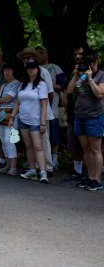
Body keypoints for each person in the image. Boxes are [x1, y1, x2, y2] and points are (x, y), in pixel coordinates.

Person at [67, 48, 104, 191]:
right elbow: (70, 90)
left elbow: (99, 94)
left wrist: (90, 79)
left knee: (95, 149)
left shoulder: (101, 75)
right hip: (79, 116)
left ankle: (97, 179)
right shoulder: (80, 76)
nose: (91, 66)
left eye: (93, 63)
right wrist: (77, 75)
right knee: (86, 149)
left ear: (97, 62)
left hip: (94, 117)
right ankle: (90, 177)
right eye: (88, 64)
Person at [16, 47, 55, 176]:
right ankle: (34, 168)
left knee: (42, 143)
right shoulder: (24, 78)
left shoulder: (43, 72)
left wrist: (44, 113)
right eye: (24, 58)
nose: (26, 60)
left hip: (41, 114)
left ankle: (47, 168)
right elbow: (19, 100)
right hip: (27, 115)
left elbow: (50, 94)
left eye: (28, 58)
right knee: (30, 144)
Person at [9, 59, 49, 183]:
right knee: (28, 146)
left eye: (33, 68)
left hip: (35, 120)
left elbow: (44, 105)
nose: (30, 70)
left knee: (38, 146)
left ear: (37, 69)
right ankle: (32, 170)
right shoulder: (23, 85)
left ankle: (43, 172)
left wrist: (43, 122)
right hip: (23, 120)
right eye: (28, 68)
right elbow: (18, 102)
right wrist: (12, 117)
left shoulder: (41, 85)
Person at [36, 45, 66, 170]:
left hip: (51, 108)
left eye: (41, 53)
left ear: (47, 54)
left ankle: (54, 160)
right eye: (37, 53)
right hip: (36, 109)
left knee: (53, 134)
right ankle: (39, 160)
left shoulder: (55, 68)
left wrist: (47, 86)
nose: (39, 55)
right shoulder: (33, 68)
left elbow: (62, 85)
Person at [63, 43, 87, 181]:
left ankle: (93, 174)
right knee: (73, 142)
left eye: (80, 54)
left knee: (90, 145)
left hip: (88, 112)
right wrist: (66, 99)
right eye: (75, 54)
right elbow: (68, 88)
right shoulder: (73, 70)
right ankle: (77, 171)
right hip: (73, 112)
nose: (78, 57)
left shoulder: (93, 70)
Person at [0, 63, 21, 175]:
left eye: (9, 70)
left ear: (13, 71)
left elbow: (7, 99)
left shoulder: (16, 83)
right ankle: (8, 164)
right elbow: (0, 100)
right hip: (1, 114)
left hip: (11, 114)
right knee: (3, 140)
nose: (7, 73)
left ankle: (13, 167)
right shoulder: (3, 85)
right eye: (5, 71)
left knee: (9, 140)